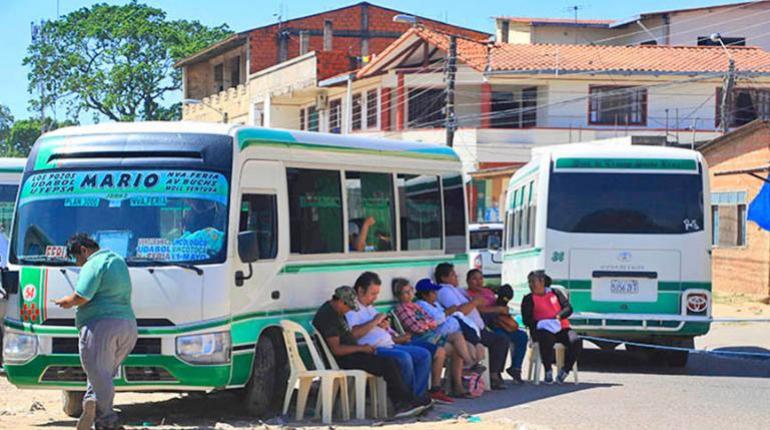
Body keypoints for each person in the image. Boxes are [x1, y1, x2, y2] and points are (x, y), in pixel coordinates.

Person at [54, 233, 137, 430]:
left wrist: (63, 302)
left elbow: (81, 296)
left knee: (98, 372)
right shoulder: (117, 261)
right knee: (103, 374)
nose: (78, 263)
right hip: (127, 326)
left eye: (77, 257)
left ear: (83, 250)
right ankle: (92, 401)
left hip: (100, 326)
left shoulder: (94, 263)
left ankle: (107, 420)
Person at [312, 286, 429, 418]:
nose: (349, 310)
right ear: (340, 302)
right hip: (344, 359)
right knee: (388, 364)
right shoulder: (329, 317)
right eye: (348, 307)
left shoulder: (336, 311)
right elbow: (337, 349)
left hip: (352, 353)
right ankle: (401, 404)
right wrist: (361, 348)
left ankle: (408, 399)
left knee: (391, 362)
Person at [346, 272, 436, 403]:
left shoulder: (369, 307)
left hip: (390, 344)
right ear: (360, 290)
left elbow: (377, 324)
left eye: (377, 294)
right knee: (405, 358)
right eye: (372, 294)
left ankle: (417, 396)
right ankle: (407, 399)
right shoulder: (351, 309)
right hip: (375, 349)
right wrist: (375, 321)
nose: (375, 298)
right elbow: (354, 334)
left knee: (424, 355)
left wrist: (383, 324)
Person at [393, 278, 475, 398]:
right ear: (399, 295)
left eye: (410, 290)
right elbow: (418, 328)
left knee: (457, 343)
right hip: (420, 338)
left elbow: (430, 321)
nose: (410, 294)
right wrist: (430, 324)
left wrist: (429, 324)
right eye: (405, 292)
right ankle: (437, 387)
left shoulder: (415, 306)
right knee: (445, 348)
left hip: (430, 335)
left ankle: (458, 386)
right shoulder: (402, 308)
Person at [434, 263, 509, 389]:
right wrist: (475, 302)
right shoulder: (444, 291)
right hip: (467, 331)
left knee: (503, 338)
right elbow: (458, 312)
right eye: (452, 275)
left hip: (477, 328)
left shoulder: (455, 290)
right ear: (444, 278)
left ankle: (493, 373)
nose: (456, 277)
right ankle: (493, 375)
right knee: (500, 341)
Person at [521, 270, 582, 384]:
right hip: (542, 330)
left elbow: (568, 308)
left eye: (534, 281)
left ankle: (565, 370)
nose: (532, 284)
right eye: (530, 282)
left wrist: (559, 316)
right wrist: (542, 322)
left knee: (575, 340)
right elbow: (526, 319)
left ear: (542, 281)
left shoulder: (556, 293)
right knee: (547, 338)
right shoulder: (528, 299)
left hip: (561, 327)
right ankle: (548, 370)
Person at [467, 270, 528, 383]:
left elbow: (499, 305)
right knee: (501, 339)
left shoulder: (488, 292)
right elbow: (477, 310)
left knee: (522, 336)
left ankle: (516, 368)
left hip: (499, 323)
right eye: (475, 279)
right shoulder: (467, 295)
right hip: (486, 326)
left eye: (480, 278)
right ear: (468, 281)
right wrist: (498, 309)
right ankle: (496, 372)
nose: (478, 281)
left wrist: (503, 308)